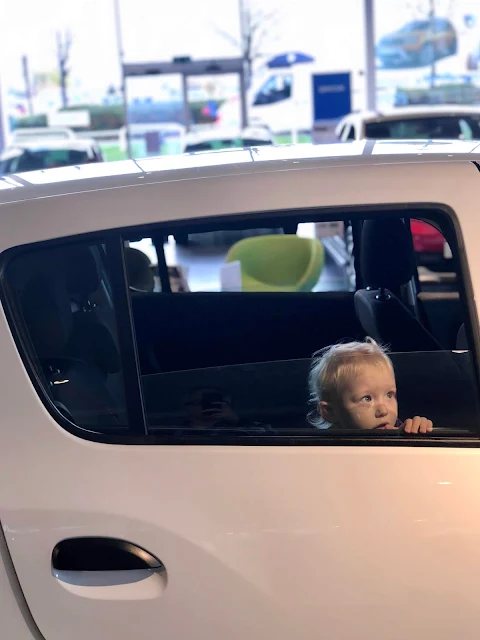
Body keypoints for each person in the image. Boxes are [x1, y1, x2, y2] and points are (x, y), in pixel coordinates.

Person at [308, 338, 433, 433]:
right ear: (330, 412)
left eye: (389, 395)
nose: (383, 411)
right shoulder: (326, 451)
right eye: (367, 398)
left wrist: (415, 431)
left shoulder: (398, 429)